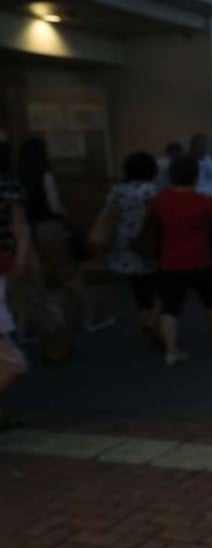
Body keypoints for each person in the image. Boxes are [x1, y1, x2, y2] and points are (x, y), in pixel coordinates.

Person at [150, 157, 212, 366]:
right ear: (196, 176)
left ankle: (172, 350)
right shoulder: (204, 201)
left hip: (170, 260)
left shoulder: (161, 200)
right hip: (201, 259)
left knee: (170, 307)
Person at [19, 137, 112, 335]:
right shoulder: (46, 175)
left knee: (36, 280)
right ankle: (85, 319)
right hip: (50, 227)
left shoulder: (20, 178)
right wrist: (66, 216)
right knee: (68, 274)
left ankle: (35, 325)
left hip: (29, 228)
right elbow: (54, 205)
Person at [94, 151, 161, 343]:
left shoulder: (117, 191)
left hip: (125, 246)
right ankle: (154, 323)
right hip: (149, 243)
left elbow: (109, 216)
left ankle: (146, 319)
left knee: (140, 291)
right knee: (159, 288)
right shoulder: (152, 191)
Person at [0, 143, 32, 421]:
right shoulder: (11, 190)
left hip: (5, 261)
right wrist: (21, 258)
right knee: (12, 360)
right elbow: (20, 227)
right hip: (7, 261)